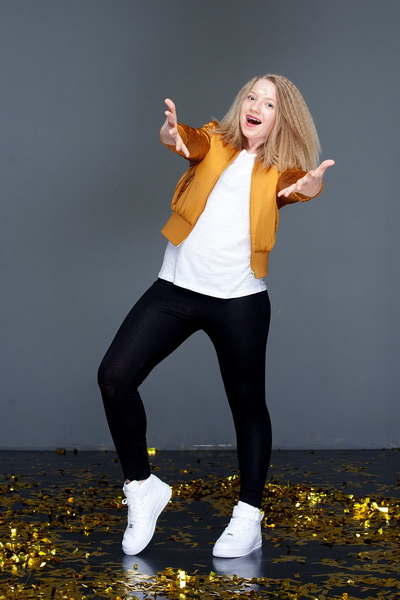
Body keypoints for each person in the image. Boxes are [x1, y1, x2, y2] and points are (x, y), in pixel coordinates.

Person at [98, 74, 334, 559]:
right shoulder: (215, 140)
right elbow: (188, 140)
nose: (256, 106)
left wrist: (309, 186)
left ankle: (248, 518)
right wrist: (172, 133)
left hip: (239, 301)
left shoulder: (279, 170)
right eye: (252, 96)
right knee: (114, 377)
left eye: (269, 104)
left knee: (247, 406)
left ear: (281, 118)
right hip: (175, 290)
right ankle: (142, 488)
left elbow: (292, 188)